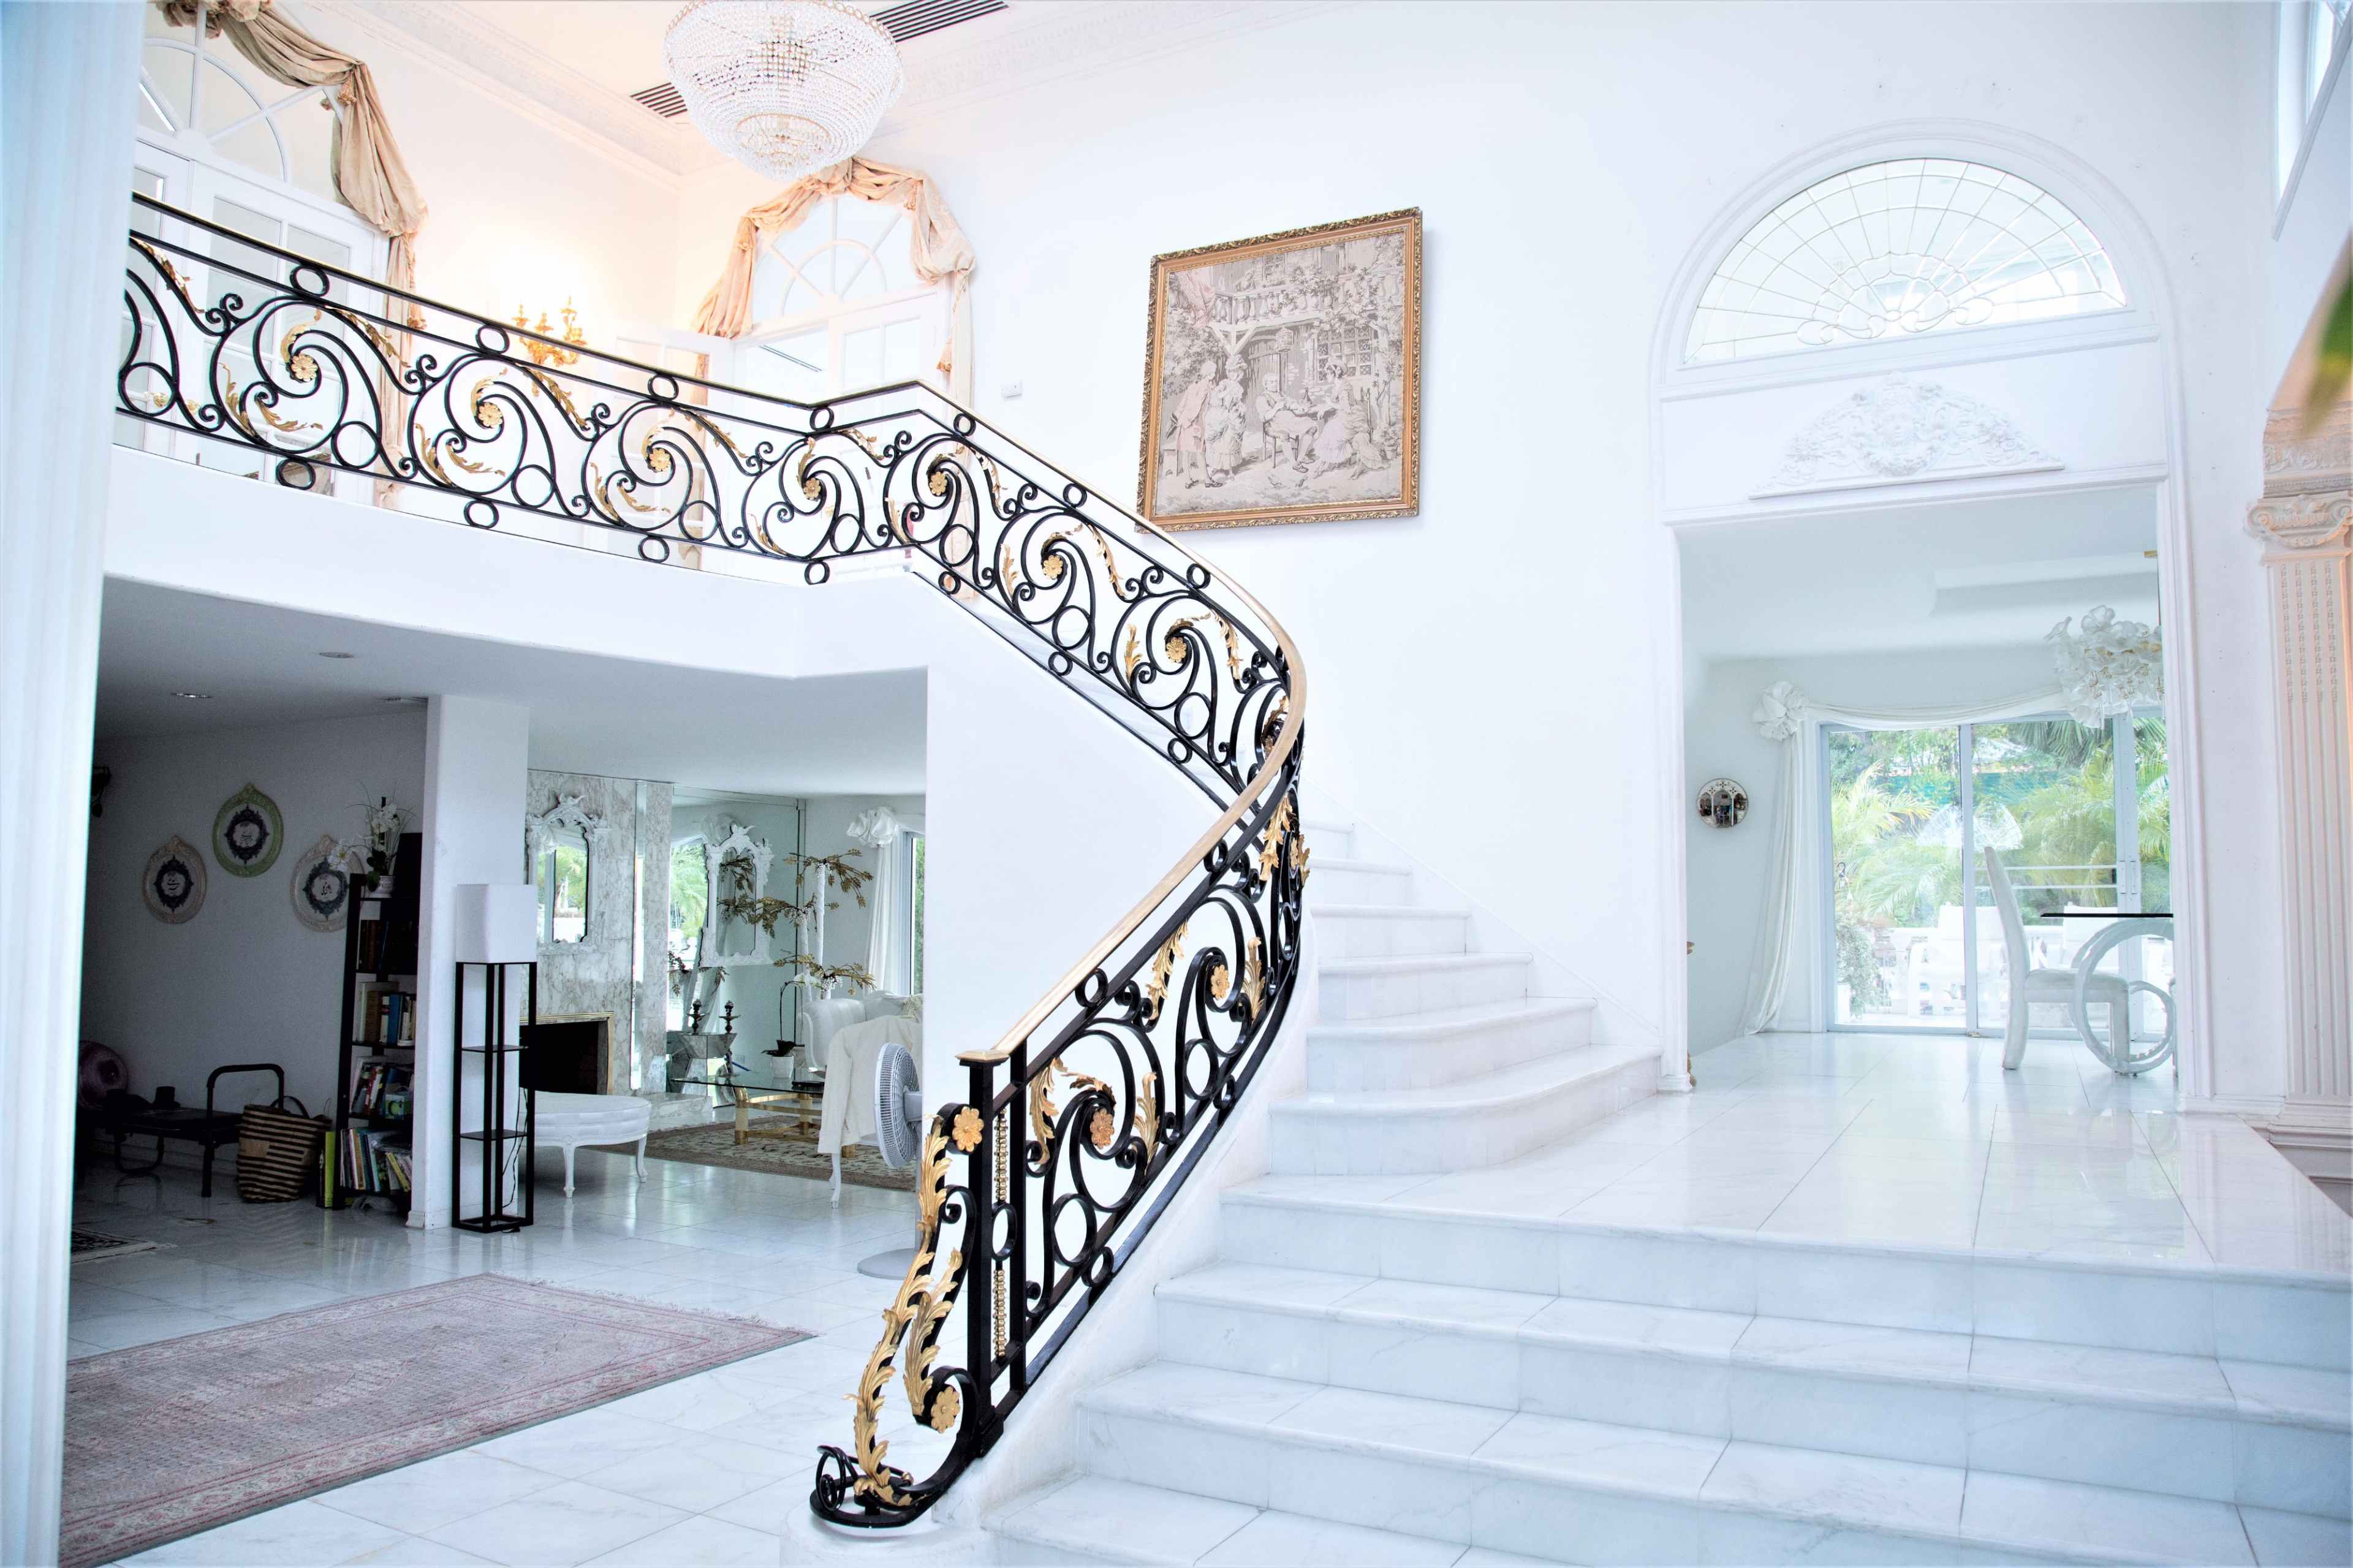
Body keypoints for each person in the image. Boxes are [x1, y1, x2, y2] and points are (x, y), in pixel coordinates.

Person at [1169, 356, 1216, 489]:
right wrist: (1189, 422)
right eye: (1213, 371)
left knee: (1186, 452)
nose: (1214, 374)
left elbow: (1182, 405)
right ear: (1209, 373)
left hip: (1184, 423)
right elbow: (1197, 407)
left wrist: (1179, 420)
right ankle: (1207, 480)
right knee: (1200, 451)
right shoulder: (1205, 387)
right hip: (1194, 423)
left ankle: (1188, 480)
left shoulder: (1193, 386)